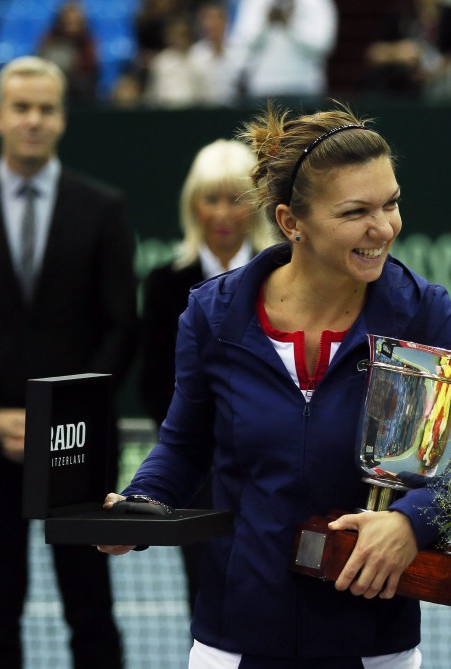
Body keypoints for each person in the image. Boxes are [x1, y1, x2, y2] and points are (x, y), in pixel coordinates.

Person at [99, 103, 451, 668]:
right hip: (234, 640)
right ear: (291, 223)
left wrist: (410, 522)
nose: (383, 228)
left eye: (391, 203)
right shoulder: (213, 314)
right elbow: (183, 445)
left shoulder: (424, 313)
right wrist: (142, 504)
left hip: (374, 646)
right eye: (356, 211)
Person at [0, 55, 136, 669]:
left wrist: (64, 418)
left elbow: (120, 327)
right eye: (21, 107)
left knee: (90, 610)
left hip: (76, 449)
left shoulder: (103, 208)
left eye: (46, 109)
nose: (33, 120)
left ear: (62, 119)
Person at [138, 138, 268, 613]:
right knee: (206, 598)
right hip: (199, 480)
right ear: (193, 205)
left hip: (270, 471)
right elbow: (155, 383)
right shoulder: (164, 284)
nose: (223, 213)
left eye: (236, 198)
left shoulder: (287, 277)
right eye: (211, 198)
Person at [229, 0, 338, 101]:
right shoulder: (253, 3)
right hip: (263, 88)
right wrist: (266, 24)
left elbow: (324, 46)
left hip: (304, 87)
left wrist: (290, 26)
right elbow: (242, 43)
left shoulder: (318, 3)